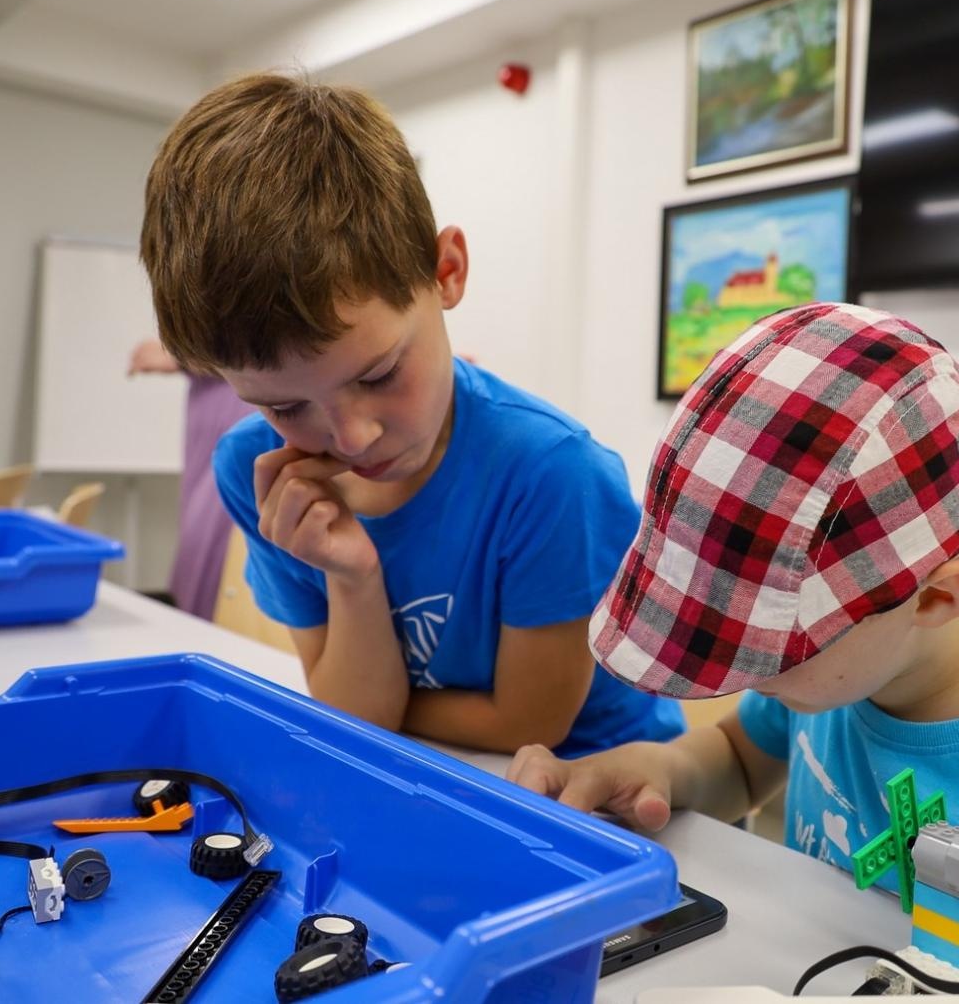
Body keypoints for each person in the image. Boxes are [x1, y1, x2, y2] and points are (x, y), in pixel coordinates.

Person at [507, 303, 959, 989]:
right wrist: (660, 768)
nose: (748, 677)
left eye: (771, 652)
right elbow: (744, 761)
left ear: (937, 599)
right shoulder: (853, 669)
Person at [138, 73, 683, 757]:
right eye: (283, 405)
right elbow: (355, 717)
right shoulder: (257, 470)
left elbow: (524, 726)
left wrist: (378, 710)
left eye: (378, 373)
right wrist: (352, 575)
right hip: (427, 771)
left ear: (446, 270)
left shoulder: (552, 474)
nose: (352, 435)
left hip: (604, 793)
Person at [127, 339, 251, 621]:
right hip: (216, 401)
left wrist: (187, 353)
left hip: (241, 401)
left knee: (222, 546)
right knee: (202, 550)